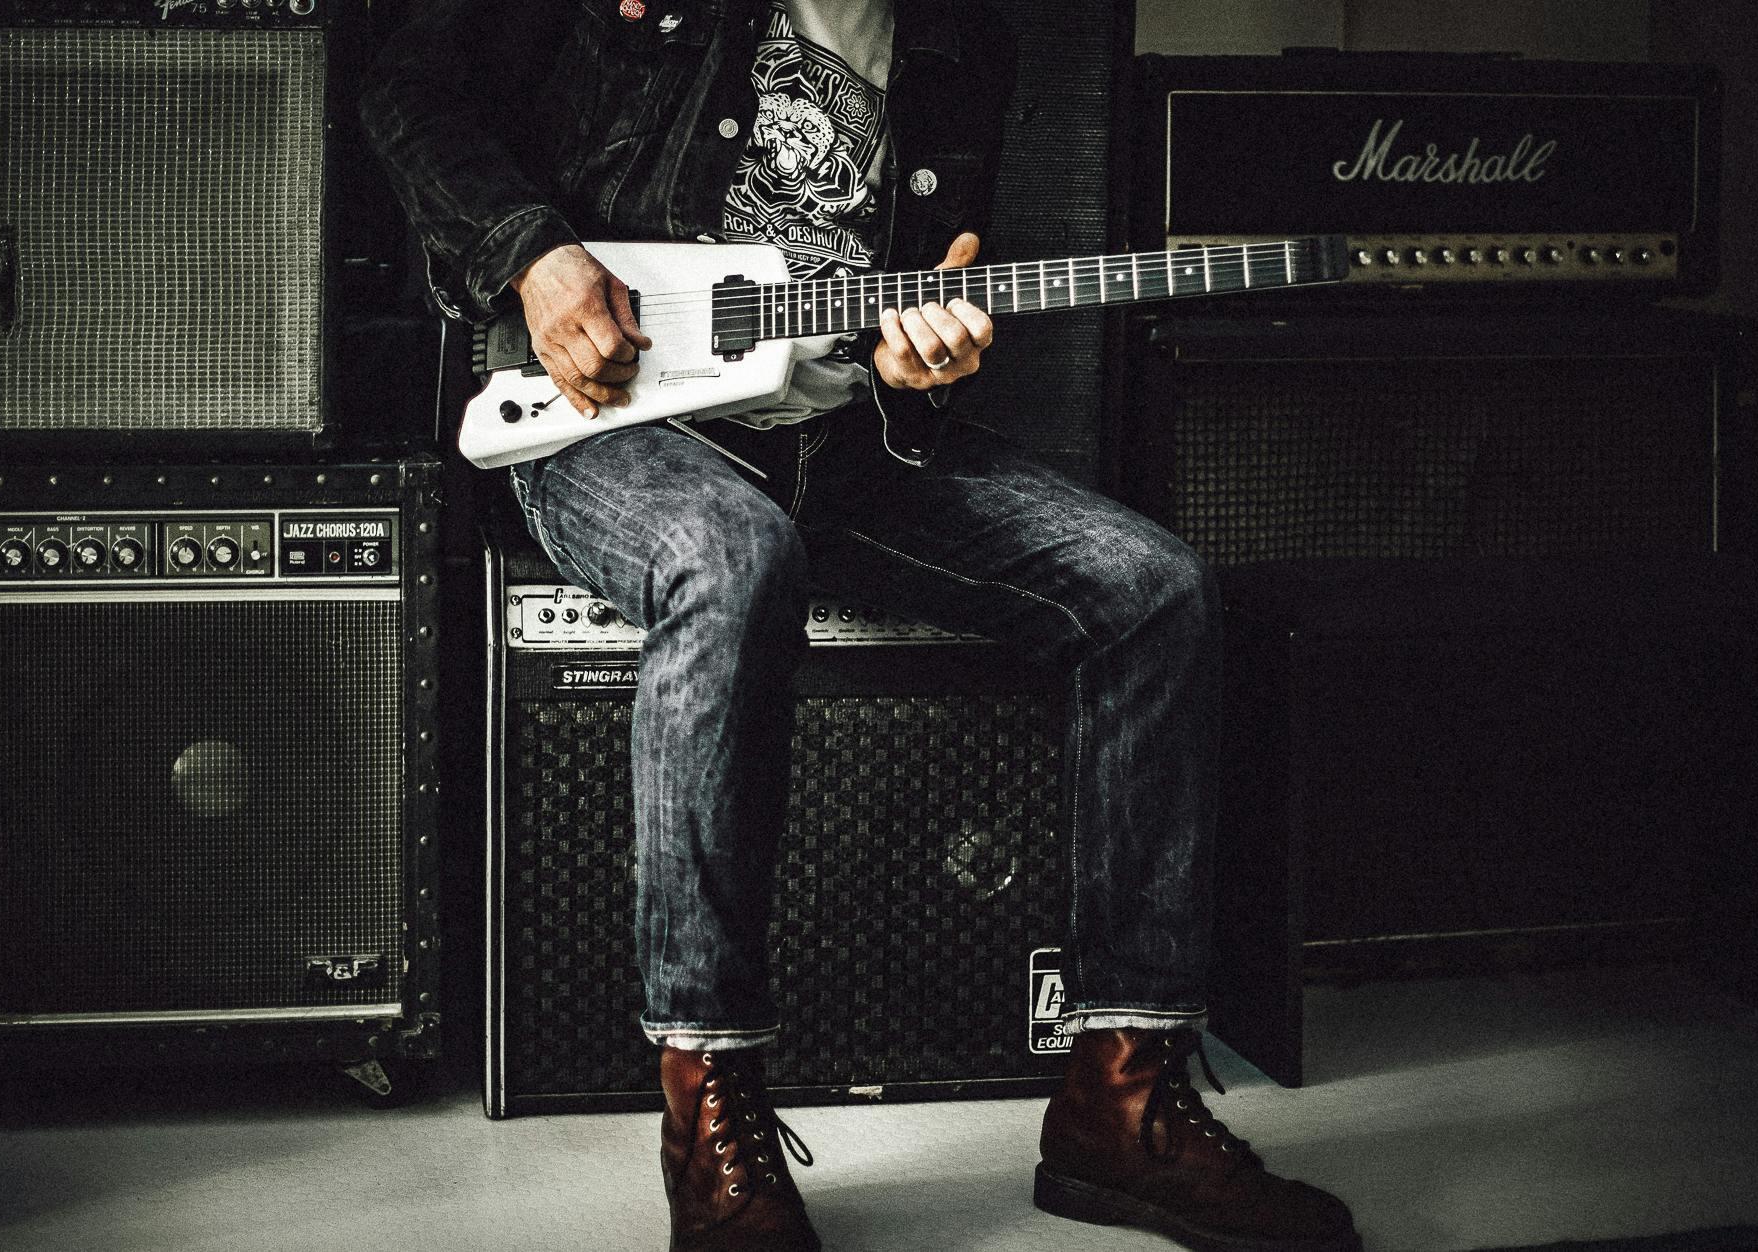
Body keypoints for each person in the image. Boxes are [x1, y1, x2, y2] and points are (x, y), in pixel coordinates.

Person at [362, 2, 1359, 1249]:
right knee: (730, 555)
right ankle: (707, 1101)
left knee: (1151, 587)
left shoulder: (960, 38)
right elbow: (408, 89)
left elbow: (922, 293)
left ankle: (1121, 1099)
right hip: (609, 428)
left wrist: (917, 361)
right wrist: (535, 255)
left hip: (846, 441)